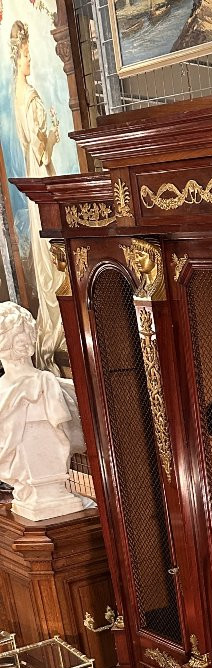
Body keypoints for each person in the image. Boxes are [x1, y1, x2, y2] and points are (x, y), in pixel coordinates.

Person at [10, 19, 66, 372]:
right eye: (28, 54)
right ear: (20, 55)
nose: (31, 60)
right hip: (41, 181)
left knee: (48, 260)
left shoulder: (17, 95)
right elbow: (42, 154)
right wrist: (54, 134)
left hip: (33, 185)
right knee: (53, 259)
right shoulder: (29, 97)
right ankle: (61, 329)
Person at [0, 302, 85, 520]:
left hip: (51, 489)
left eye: (24, 331)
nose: (23, 338)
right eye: (16, 333)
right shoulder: (4, 391)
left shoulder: (47, 386)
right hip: (30, 499)